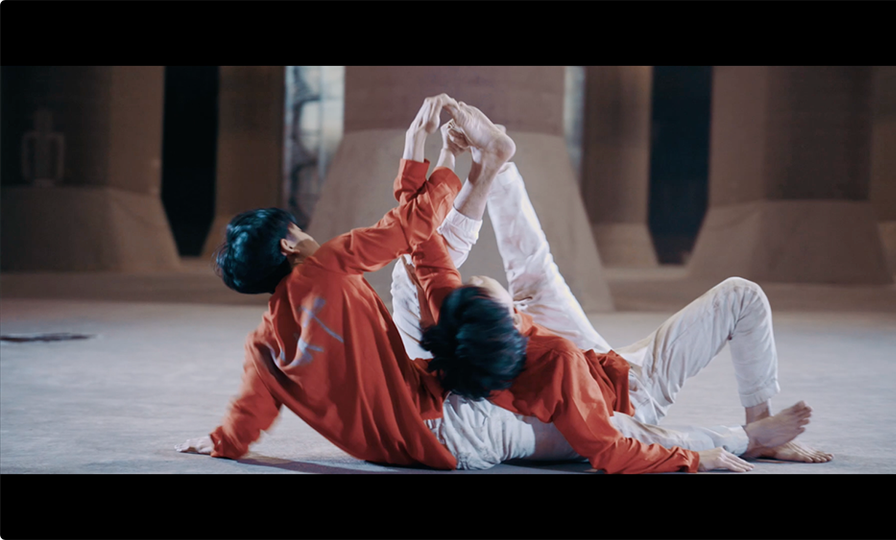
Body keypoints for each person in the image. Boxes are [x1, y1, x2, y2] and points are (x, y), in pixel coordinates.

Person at [390, 120, 833, 472]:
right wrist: (716, 449)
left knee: (533, 275)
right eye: (491, 292)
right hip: (629, 391)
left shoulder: (453, 325)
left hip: (582, 364)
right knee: (741, 296)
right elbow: (613, 448)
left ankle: (499, 165)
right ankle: (760, 430)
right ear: (510, 321)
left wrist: (463, 157)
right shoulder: (559, 365)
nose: (474, 278)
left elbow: (425, 251)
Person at [175, 94, 516, 469]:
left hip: (398, 452)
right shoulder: (326, 265)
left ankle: (488, 163)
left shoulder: (264, 343)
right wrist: (424, 143)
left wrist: (222, 441)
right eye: (299, 229)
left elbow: (251, 407)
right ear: (288, 245)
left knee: (411, 272)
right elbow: (413, 225)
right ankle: (490, 164)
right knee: (440, 281)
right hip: (451, 426)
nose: (308, 234)